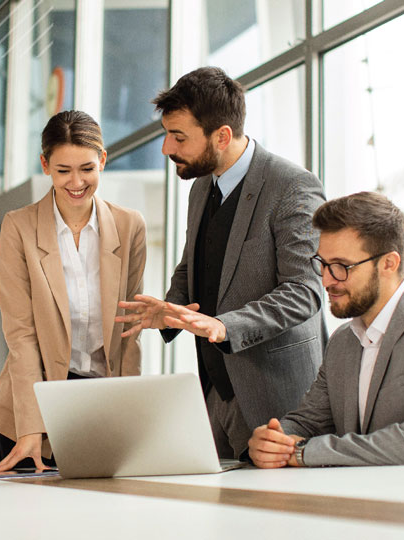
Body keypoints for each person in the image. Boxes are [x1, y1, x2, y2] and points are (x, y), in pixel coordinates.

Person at [117, 66, 327, 460]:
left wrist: (224, 325)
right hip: (215, 392)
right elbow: (193, 263)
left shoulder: (292, 186)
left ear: (223, 135)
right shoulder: (201, 186)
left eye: (178, 137)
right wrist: (169, 308)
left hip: (279, 400)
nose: (166, 148)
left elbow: (305, 291)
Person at [248, 191, 404, 468]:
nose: (327, 280)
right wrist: (274, 440)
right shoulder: (343, 340)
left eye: (341, 266)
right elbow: (309, 421)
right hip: (371, 501)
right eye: (323, 264)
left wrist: (305, 452)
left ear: (388, 263)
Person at [0, 110, 147, 472]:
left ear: (103, 160)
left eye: (87, 169)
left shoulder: (129, 225)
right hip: (31, 410)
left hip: (101, 406)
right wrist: (31, 427)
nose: (77, 182)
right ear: (45, 165)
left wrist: (130, 416)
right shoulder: (19, 228)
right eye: (63, 171)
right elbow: (21, 335)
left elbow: (129, 330)